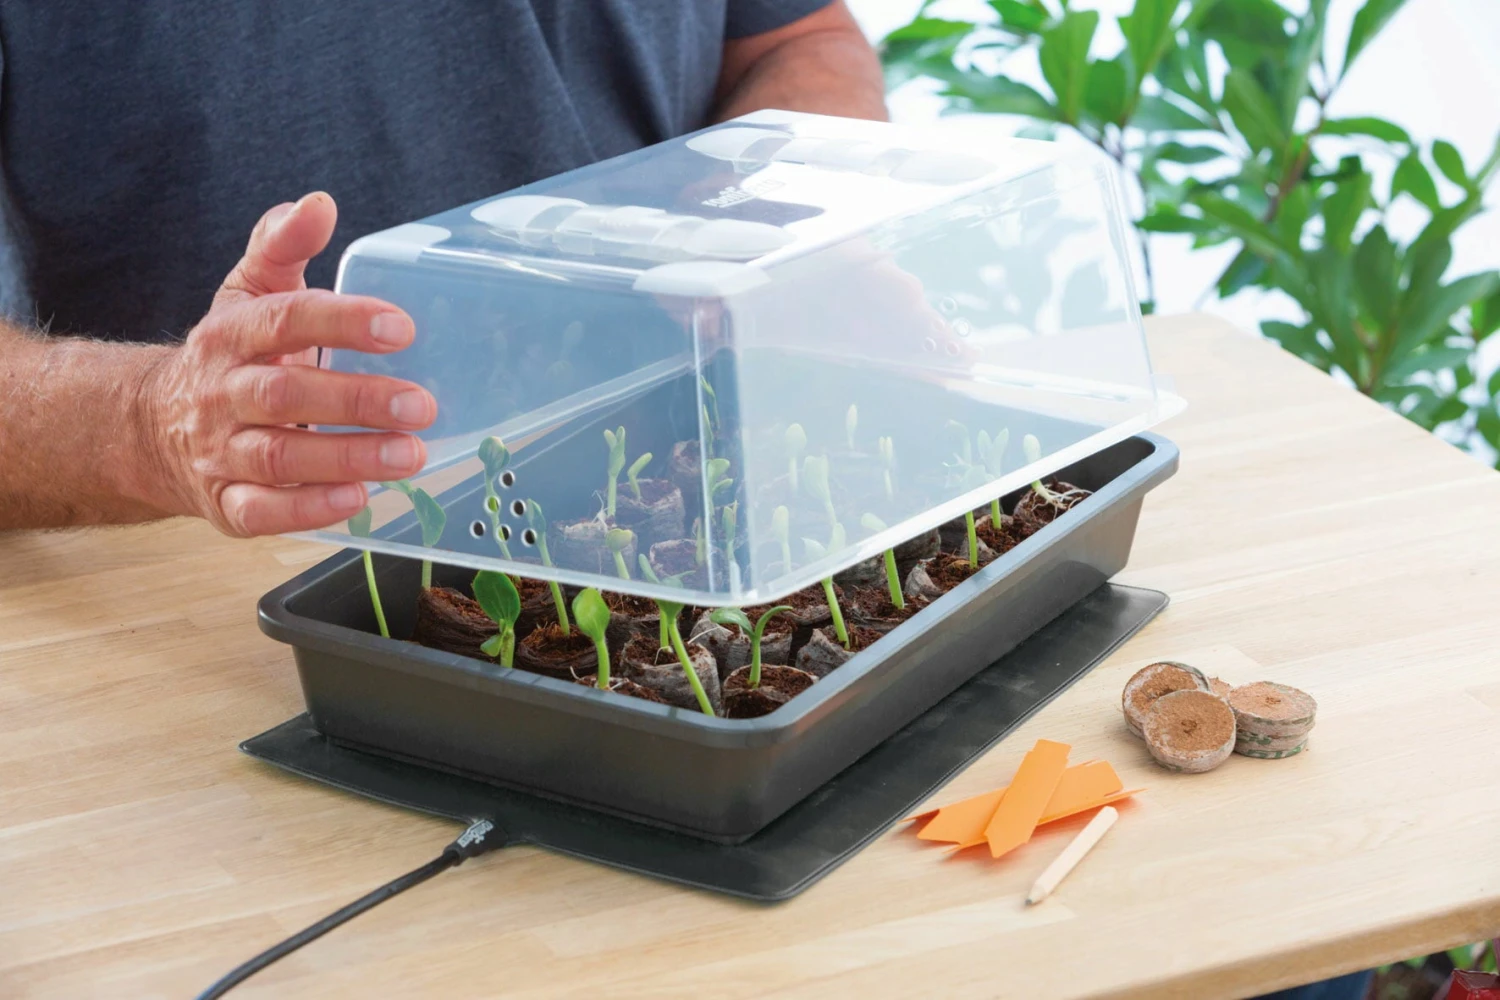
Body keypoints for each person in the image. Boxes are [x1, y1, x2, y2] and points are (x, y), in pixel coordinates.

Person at [0, 1, 884, 536]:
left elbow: (799, 38)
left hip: (676, 485)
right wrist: (152, 424)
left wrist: (769, 207)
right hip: (204, 575)